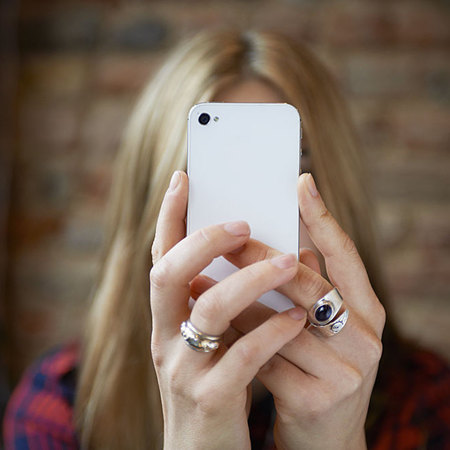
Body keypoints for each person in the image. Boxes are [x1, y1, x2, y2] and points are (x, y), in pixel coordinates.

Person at [4, 30, 449, 450]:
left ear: (335, 194)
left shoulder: (426, 400)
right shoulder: (61, 405)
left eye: (288, 163)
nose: (246, 223)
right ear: (156, 201)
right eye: (216, 174)